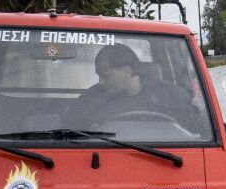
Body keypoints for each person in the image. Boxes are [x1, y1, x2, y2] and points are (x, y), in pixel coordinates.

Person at [67, 43, 200, 131]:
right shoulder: (90, 99)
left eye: (105, 76)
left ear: (127, 71)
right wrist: (88, 131)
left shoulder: (171, 95)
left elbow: (198, 129)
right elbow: (69, 128)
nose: (100, 82)